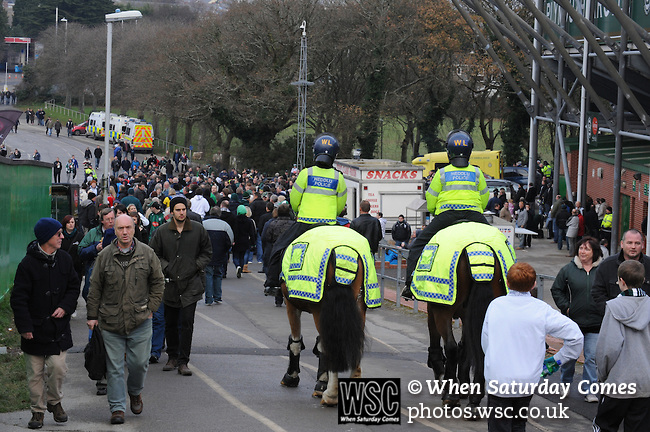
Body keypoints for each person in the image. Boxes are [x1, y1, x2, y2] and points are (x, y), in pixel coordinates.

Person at [482, 262, 583, 432]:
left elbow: (486, 341)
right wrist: (557, 360)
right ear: (534, 284)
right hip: (527, 379)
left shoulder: (495, 306)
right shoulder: (541, 310)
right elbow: (576, 336)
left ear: (507, 283)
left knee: (498, 426)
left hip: (498, 378)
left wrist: (492, 360)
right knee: (519, 424)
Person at [86, 214, 164, 425]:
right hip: (110, 322)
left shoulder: (147, 254)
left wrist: (152, 308)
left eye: (128, 227)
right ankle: (117, 408)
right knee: (114, 368)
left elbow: (158, 282)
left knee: (139, 363)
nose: (125, 232)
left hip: (140, 319)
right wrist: (92, 315)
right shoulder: (105, 256)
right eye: (120, 228)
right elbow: (95, 288)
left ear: (134, 228)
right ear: (115, 229)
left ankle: (135, 392)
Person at [10, 218, 80, 429]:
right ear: (45, 238)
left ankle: (55, 401)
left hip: (58, 328)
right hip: (34, 328)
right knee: (35, 374)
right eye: (58, 234)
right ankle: (37, 412)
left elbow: (73, 287)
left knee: (58, 368)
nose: (62, 237)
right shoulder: (27, 264)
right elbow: (19, 298)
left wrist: (66, 306)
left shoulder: (65, 259)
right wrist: (25, 327)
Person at [403, 130, 489, 299]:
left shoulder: (441, 173)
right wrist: (476, 210)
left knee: (417, 245)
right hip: (474, 216)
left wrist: (436, 213)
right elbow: (484, 198)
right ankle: (511, 282)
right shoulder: (477, 173)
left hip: (446, 217)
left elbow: (431, 201)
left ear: (449, 153)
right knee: (500, 242)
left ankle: (410, 284)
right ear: (470, 151)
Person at [264, 134, 347, 293]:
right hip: (329, 226)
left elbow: (294, 201)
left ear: (315, 152)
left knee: (279, 247)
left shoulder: (306, 173)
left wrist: (300, 210)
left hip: (305, 224)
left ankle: (273, 282)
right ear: (334, 155)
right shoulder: (339, 177)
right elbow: (340, 207)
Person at [149, 196, 212, 376]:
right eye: (177, 210)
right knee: (170, 323)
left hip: (191, 284)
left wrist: (195, 265)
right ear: (172, 212)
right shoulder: (162, 231)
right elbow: (154, 254)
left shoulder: (198, 230)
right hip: (169, 285)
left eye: (183, 209)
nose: (181, 213)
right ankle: (172, 356)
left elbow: (207, 253)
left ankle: (184, 361)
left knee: (186, 323)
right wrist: (166, 267)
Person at [593, 260, 650, 431]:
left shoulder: (613, 307)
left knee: (605, 426)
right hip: (645, 384)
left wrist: (602, 377)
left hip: (618, 382)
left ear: (621, 281)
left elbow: (608, 349)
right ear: (643, 279)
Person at [551, 236, 603, 403]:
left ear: (595, 252)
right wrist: (566, 307)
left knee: (592, 357)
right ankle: (565, 384)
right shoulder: (568, 269)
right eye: (581, 248)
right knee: (570, 357)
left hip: (596, 322)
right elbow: (556, 289)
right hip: (573, 323)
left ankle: (590, 390)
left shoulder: (602, 270)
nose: (583, 251)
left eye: (587, 249)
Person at [592, 229, 650, 315]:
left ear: (643, 245)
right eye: (629, 243)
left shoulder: (648, 265)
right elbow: (597, 292)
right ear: (622, 244)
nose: (633, 247)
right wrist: (610, 312)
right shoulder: (606, 266)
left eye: (637, 243)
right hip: (614, 318)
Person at [203, 207, 234, 305]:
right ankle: (217, 296)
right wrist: (225, 251)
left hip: (207, 254)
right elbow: (230, 241)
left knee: (208, 275)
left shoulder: (203, 224)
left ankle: (208, 298)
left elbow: (198, 239)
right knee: (218, 274)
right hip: (220, 254)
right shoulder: (225, 226)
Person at [233, 205, 256, 277]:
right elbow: (252, 233)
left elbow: (233, 231)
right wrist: (253, 243)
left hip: (236, 240)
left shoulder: (234, 220)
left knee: (235, 256)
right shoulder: (249, 221)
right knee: (242, 256)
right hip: (245, 240)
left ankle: (237, 266)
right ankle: (241, 269)